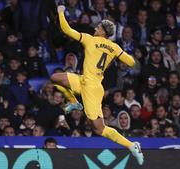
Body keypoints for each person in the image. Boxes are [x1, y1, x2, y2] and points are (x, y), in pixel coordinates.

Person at [51, 5, 143, 165]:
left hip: (90, 88)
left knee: (99, 129)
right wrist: (117, 54)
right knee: (55, 77)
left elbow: (66, 29)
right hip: (85, 81)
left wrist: (60, 11)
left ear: (103, 32)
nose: (96, 27)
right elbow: (131, 61)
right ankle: (73, 102)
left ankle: (132, 146)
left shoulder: (90, 39)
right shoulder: (114, 47)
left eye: (99, 26)